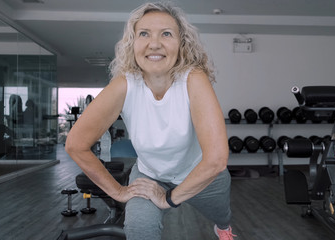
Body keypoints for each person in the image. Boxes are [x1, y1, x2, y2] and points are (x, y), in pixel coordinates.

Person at [65, 2, 236, 240]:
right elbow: (75, 145)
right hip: (149, 174)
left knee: (222, 215)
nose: (154, 43)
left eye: (166, 34)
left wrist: (168, 198)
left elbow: (216, 160)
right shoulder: (125, 84)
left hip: (201, 174)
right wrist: (118, 192)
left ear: (181, 44)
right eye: (144, 33)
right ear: (132, 43)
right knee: (139, 229)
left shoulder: (193, 79)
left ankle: (223, 228)